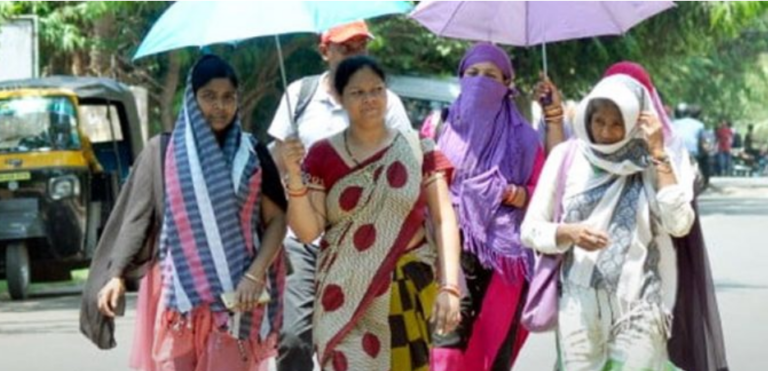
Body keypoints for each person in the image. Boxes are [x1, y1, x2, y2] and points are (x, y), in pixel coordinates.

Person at [80, 55, 287, 371]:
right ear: (192, 99)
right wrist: (116, 275)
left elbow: (276, 220)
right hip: (179, 299)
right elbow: (137, 218)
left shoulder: (252, 153)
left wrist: (255, 275)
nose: (220, 106)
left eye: (228, 97)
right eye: (209, 97)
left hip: (238, 296)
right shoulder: (162, 151)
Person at [281, 55, 461, 371]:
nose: (369, 99)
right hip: (344, 294)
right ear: (339, 97)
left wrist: (450, 287)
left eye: (377, 89)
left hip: (406, 285)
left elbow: (444, 218)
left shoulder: (417, 148)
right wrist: (295, 179)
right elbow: (309, 231)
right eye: (358, 92)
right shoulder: (323, 154)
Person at [522, 71, 696, 370]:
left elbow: (679, 224)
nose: (605, 132)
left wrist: (657, 153)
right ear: (588, 116)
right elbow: (530, 230)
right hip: (577, 302)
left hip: (640, 301)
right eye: (598, 120)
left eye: (617, 124)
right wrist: (568, 232)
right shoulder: (566, 156)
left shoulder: (650, 161)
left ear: (634, 123)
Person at [267, 20, 411, 371]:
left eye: (361, 46)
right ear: (324, 51)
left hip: (363, 247)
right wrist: (287, 157)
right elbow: (272, 169)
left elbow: (410, 166)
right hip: (303, 244)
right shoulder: (298, 96)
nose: (354, 53)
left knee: (356, 347)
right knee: (293, 340)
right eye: (345, 47)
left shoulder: (386, 102)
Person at [427, 43, 545, 371]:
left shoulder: (525, 139)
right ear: (461, 77)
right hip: (448, 252)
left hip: (504, 256)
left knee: (494, 350)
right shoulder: (438, 128)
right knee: (445, 342)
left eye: (491, 75)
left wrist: (514, 194)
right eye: (473, 73)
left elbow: (544, 193)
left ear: (507, 85)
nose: (480, 81)